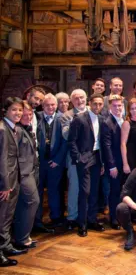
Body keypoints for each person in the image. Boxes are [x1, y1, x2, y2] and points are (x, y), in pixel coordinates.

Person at [67, 93, 105, 237]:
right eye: (95, 104)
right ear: (89, 103)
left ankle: (92, 220)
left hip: (97, 158)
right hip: (84, 158)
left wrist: (102, 162)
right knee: (85, 191)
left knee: (95, 191)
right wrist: (78, 158)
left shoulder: (102, 119)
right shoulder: (79, 118)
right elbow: (71, 141)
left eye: (100, 104)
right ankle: (81, 223)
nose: (97, 107)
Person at [35, 93, 67, 232]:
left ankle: (56, 218)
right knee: (38, 192)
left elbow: (65, 141)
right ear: (43, 106)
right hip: (39, 163)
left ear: (56, 105)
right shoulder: (36, 117)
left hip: (55, 163)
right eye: (47, 105)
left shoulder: (62, 118)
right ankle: (37, 220)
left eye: (53, 104)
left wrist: (58, 160)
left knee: (54, 192)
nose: (50, 107)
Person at [0, 97, 26, 267]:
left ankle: (5, 246)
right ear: (6, 111)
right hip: (6, 183)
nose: (18, 113)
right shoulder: (2, 129)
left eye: (20, 110)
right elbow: (2, 159)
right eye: (14, 110)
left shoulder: (14, 128)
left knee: (8, 216)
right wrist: (5, 185)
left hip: (13, 179)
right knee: (1, 218)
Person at [59, 89, 88, 231]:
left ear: (86, 98)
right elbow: (66, 135)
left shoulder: (93, 111)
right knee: (74, 187)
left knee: (89, 188)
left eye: (82, 97)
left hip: (91, 157)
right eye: (76, 98)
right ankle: (72, 217)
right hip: (74, 157)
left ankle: (86, 215)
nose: (80, 100)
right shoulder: (67, 116)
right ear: (72, 101)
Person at [13, 101, 40, 251]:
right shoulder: (16, 131)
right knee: (32, 201)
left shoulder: (26, 128)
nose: (28, 116)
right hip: (22, 174)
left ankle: (23, 237)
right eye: (25, 114)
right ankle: (21, 238)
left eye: (30, 114)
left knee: (24, 205)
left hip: (31, 171)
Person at [100, 95, 125, 230]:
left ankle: (122, 215)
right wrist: (112, 166)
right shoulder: (107, 122)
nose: (117, 108)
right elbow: (106, 146)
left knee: (123, 190)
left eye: (119, 105)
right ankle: (114, 218)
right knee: (114, 191)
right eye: (114, 106)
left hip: (125, 163)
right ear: (110, 107)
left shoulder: (123, 120)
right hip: (114, 164)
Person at [121, 98, 136, 177]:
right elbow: (123, 144)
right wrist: (125, 163)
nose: (134, 110)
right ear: (128, 110)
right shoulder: (127, 123)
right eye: (132, 109)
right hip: (131, 156)